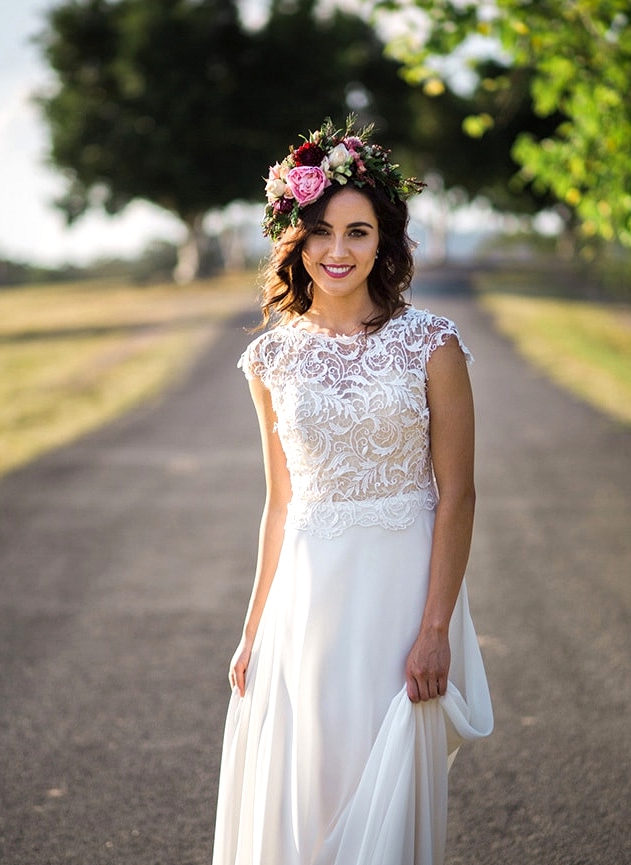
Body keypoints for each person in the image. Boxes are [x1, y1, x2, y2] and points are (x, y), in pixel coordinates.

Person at [212, 119, 493, 865]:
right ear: (294, 240)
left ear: (385, 241)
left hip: (399, 594)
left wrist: (434, 628)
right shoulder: (268, 355)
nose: (338, 251)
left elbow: (457, 492)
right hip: (306, 601)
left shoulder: (431, 343)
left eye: (358, 232)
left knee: (386, 787)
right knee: (308, 787)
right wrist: (252, 627)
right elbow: (279, 500)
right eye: (321, 232)